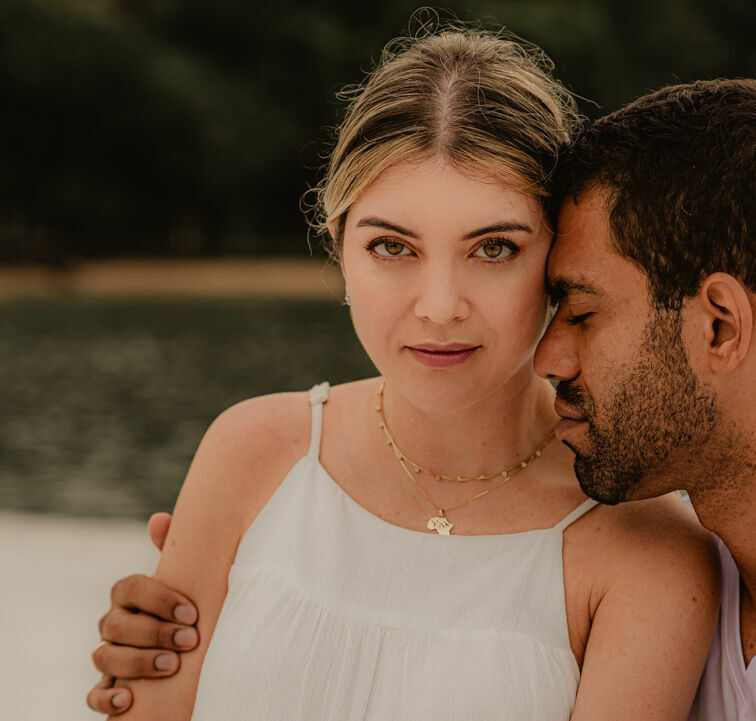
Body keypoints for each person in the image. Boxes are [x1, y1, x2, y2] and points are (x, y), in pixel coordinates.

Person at [92, 78, 756, 719]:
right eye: (390, 245)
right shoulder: (733, 561)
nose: (548, 351)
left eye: (578, 306)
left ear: (721, 328)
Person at [85, 26, 722, 720]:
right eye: (392, 246)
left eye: (494, 248)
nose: (440, 307)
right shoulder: (252, 453)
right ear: (340, 248)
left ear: (557, 257)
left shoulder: (649, 551)